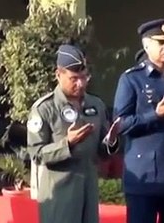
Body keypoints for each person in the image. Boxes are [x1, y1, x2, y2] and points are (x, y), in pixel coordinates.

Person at [27, 44, 121, 223]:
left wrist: (112, 140)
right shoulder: (45, 108)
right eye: (74, 78)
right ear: (58, 74)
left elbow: (102, 152)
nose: (80, 83)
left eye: (84, 77)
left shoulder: (96, 105)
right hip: (60, 193)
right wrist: (67, 144)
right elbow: (36, 154)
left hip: (89, 189)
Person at [113, 18, 164, 223]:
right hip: (145, 177)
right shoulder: (132, 79)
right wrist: (156, 115)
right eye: (161, 42)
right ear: (146, 45)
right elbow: (120, 124)